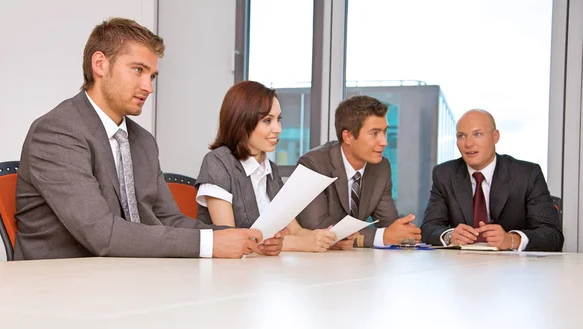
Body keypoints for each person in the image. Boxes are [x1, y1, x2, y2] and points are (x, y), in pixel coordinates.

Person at [14, 18, 284, 260]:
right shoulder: (56, 132)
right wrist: (211, 244)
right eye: (138, 70)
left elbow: (168, 219)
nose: (149, 87)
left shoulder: (142, 140)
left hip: (127, 279)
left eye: (152, 76)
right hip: (58, 285)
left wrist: (242, 238)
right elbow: (101, 234)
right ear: (100, 64)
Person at [195, 80, 355, 252]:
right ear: (241, 121)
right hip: (227, 274)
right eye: (267, 120)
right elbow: (232, 239)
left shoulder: (270, 169)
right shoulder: (217, 162)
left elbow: (295, 230)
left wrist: (327, 239)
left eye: (278, 119)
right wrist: (301, 244)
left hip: (261, 272)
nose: (278, 128)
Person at [420, 109, 563, 251]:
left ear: (495, 137)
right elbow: (428, 227)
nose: (468, 144)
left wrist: (512, 240)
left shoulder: (527, 174)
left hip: (514, 269)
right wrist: (450, 236)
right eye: (461, 136)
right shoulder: (444, 174)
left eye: (477, 134)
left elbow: (552, 235)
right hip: (462, 267)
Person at [296, 95, 421, 248]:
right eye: (374, 133)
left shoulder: (381, 167)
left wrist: (402, 233)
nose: (384, 142)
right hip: (313, 263)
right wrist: (381, 236)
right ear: (348, 136)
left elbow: (389, 225)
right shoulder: (314, 164)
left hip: (356, 262)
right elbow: (318, 228)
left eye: (384, 132)